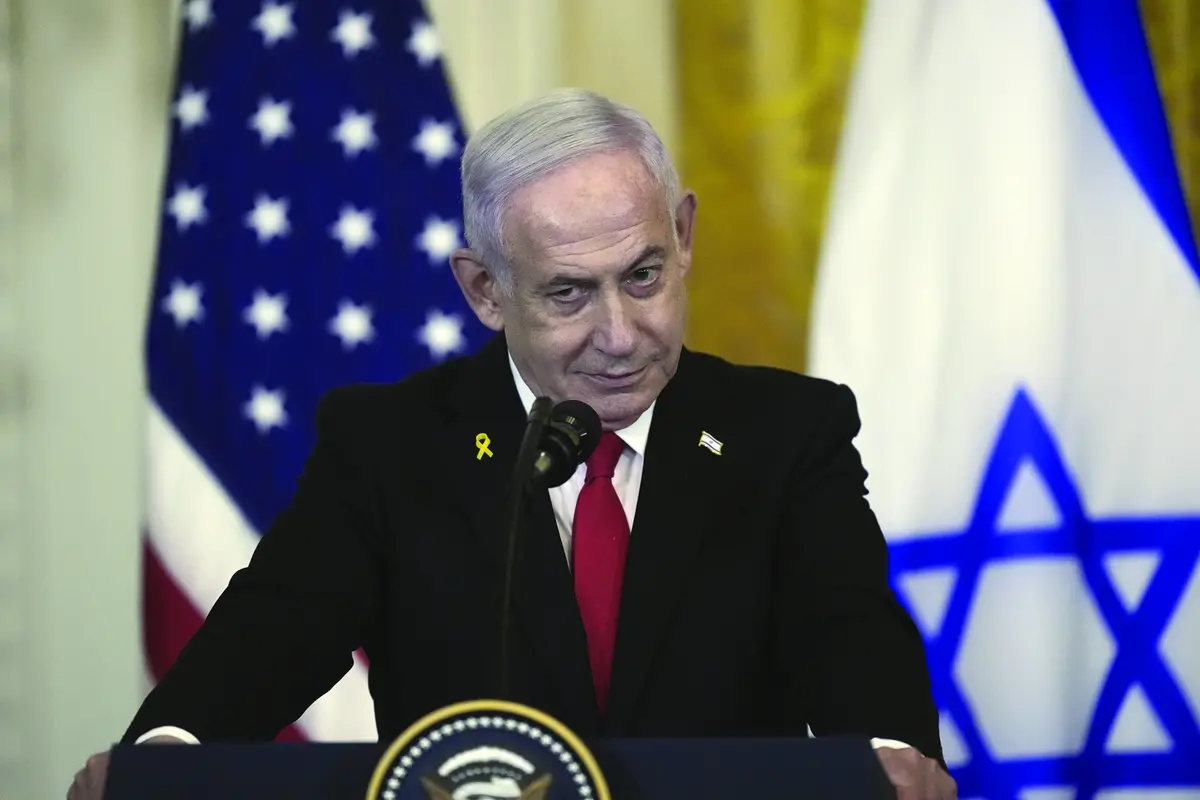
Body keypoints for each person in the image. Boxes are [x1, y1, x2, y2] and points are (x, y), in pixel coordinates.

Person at [70, 88, 956, 799]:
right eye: (569, 294)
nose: (621, 333)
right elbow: (270, 635)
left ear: (683, 235)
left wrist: (890, 759)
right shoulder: (391, 448)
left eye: (643, 275)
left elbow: (852, 645)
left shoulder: (787, 434)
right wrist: (165, 759)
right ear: (485, 290)